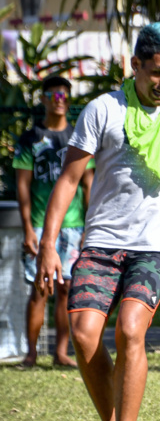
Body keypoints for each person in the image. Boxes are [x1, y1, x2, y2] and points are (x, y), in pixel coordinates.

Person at [35, 23, 160, 421]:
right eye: (157, 73)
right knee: (85, 334)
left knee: (131, 330)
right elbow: (68, 180)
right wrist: (49, 245)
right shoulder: (102, 110)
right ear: (135, 65)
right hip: (102, 242)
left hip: (155, 248)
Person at [14, 76, 95, 368]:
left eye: (64, 95)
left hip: (73, 227)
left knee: (65, 290)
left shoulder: (79, 137)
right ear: (44, 99)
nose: (60, 100)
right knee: (39, 290)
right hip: (39, 225)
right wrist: (27, 230)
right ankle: (31, 354)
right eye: (54, 95)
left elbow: (89, 185)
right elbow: (23, 187)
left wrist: (89, 228)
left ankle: (61, 354)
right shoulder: (29, 139)